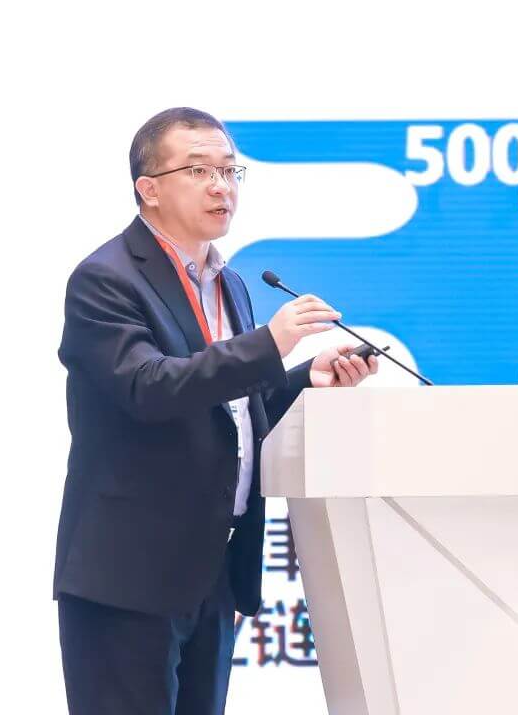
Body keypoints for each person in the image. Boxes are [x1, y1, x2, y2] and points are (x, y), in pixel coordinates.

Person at [53, 107, 378, 715]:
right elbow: (149, 388)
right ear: (148, 189)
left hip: (211, 571)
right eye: (198, 170)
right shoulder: (105, 280)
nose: (220, 187)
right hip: (128, 577)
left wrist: (307, 378)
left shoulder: (230, 285)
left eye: (230, 171)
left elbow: (227, 413)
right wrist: (268, 344)